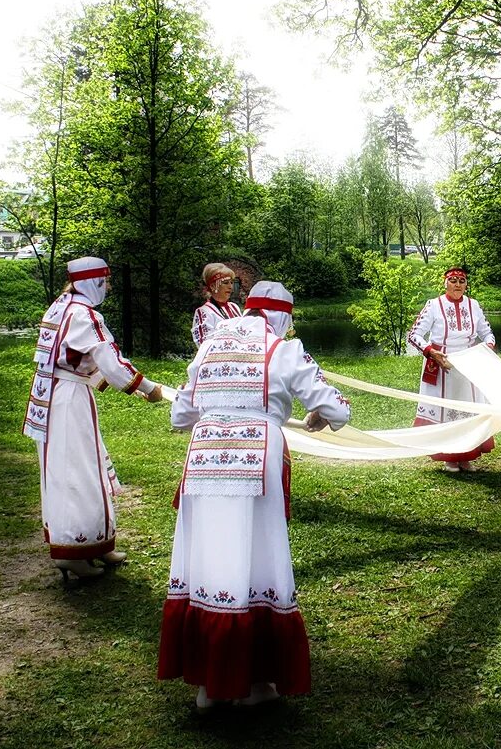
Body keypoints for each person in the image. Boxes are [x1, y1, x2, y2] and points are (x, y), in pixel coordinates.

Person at [158, 281, 352, 709]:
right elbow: (337, 407)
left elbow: (180, 414)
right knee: (257, 557)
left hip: (206, 454)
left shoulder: (211, 344)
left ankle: (208, 686)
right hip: (255, 456)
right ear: (283, 315)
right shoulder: (283, 349)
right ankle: (256, 682)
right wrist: (318, 414)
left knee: (209, 557)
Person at [22, 256, 164, 583]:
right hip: (68, 403)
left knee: (82, 468)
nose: (109, 287)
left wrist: (130, 389)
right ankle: (72, 552)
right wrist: (148, 387)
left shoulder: (60, 307)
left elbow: (74, 359)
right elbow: (109, 360)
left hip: (54, 396)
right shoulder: (85, 315)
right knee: (78, 473)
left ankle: (96, 543)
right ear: (93, 282)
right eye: (106, 281)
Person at [406, 266, 496, 472]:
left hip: (468, 363)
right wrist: (431, 351)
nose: (457, 285)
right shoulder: (433, 305)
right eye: (453, 280)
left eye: (461, 281)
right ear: (445, 282)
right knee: (445, 410)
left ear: (466, 285)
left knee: (467, 410)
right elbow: (414, 335)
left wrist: (486, 349)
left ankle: (466, 456)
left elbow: (488, 333)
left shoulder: (474, 305)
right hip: (441, 363)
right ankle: (449, 457)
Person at [191, 262, 242, 346]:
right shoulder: (204, 311)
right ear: (212, 286)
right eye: (225, 283)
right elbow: (204, 344)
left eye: (232, 282)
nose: (230, 287)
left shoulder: (234, 307)